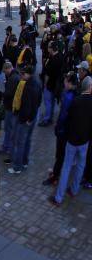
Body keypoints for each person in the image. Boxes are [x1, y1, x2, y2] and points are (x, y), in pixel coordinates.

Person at [50, 75, 91, 206]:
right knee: (80, 165)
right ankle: (74, 190)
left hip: (73, 139)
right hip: (85, 139)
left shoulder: (76, 101)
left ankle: (59, 197)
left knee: (67, 166)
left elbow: (68, 119)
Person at [9, 65, 41, 174]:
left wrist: (26, 119)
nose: (22, 76)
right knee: (28, 140)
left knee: (20, 142)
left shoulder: (27, 86)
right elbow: (38, 101)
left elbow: (26, 105)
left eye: (23, 74)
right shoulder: (37, 83)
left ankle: (17, 167)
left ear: (28, 74)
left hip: (26, 119)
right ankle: (25, 161)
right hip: (33, 117)